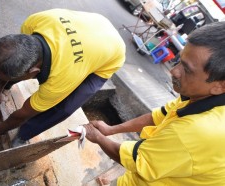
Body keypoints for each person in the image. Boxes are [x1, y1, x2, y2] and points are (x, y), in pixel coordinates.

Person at [84, 21, 225, 186]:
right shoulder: (199, 95)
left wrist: (98, 137)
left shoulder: (197, 130)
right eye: (179, 60)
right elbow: (158, 116)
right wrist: (111, 130)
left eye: (187, 70)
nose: (174, 71)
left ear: (220, 85)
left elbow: (138, 161)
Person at [0, 9, 126, 146]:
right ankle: (3, 83)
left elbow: (24, 113)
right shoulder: (33, 23)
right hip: (95, 24)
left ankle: (25, 134)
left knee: (65, 106)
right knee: (16, 63)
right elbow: (16, 57)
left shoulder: (61, 78)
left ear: (34, 71)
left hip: (112, 52)